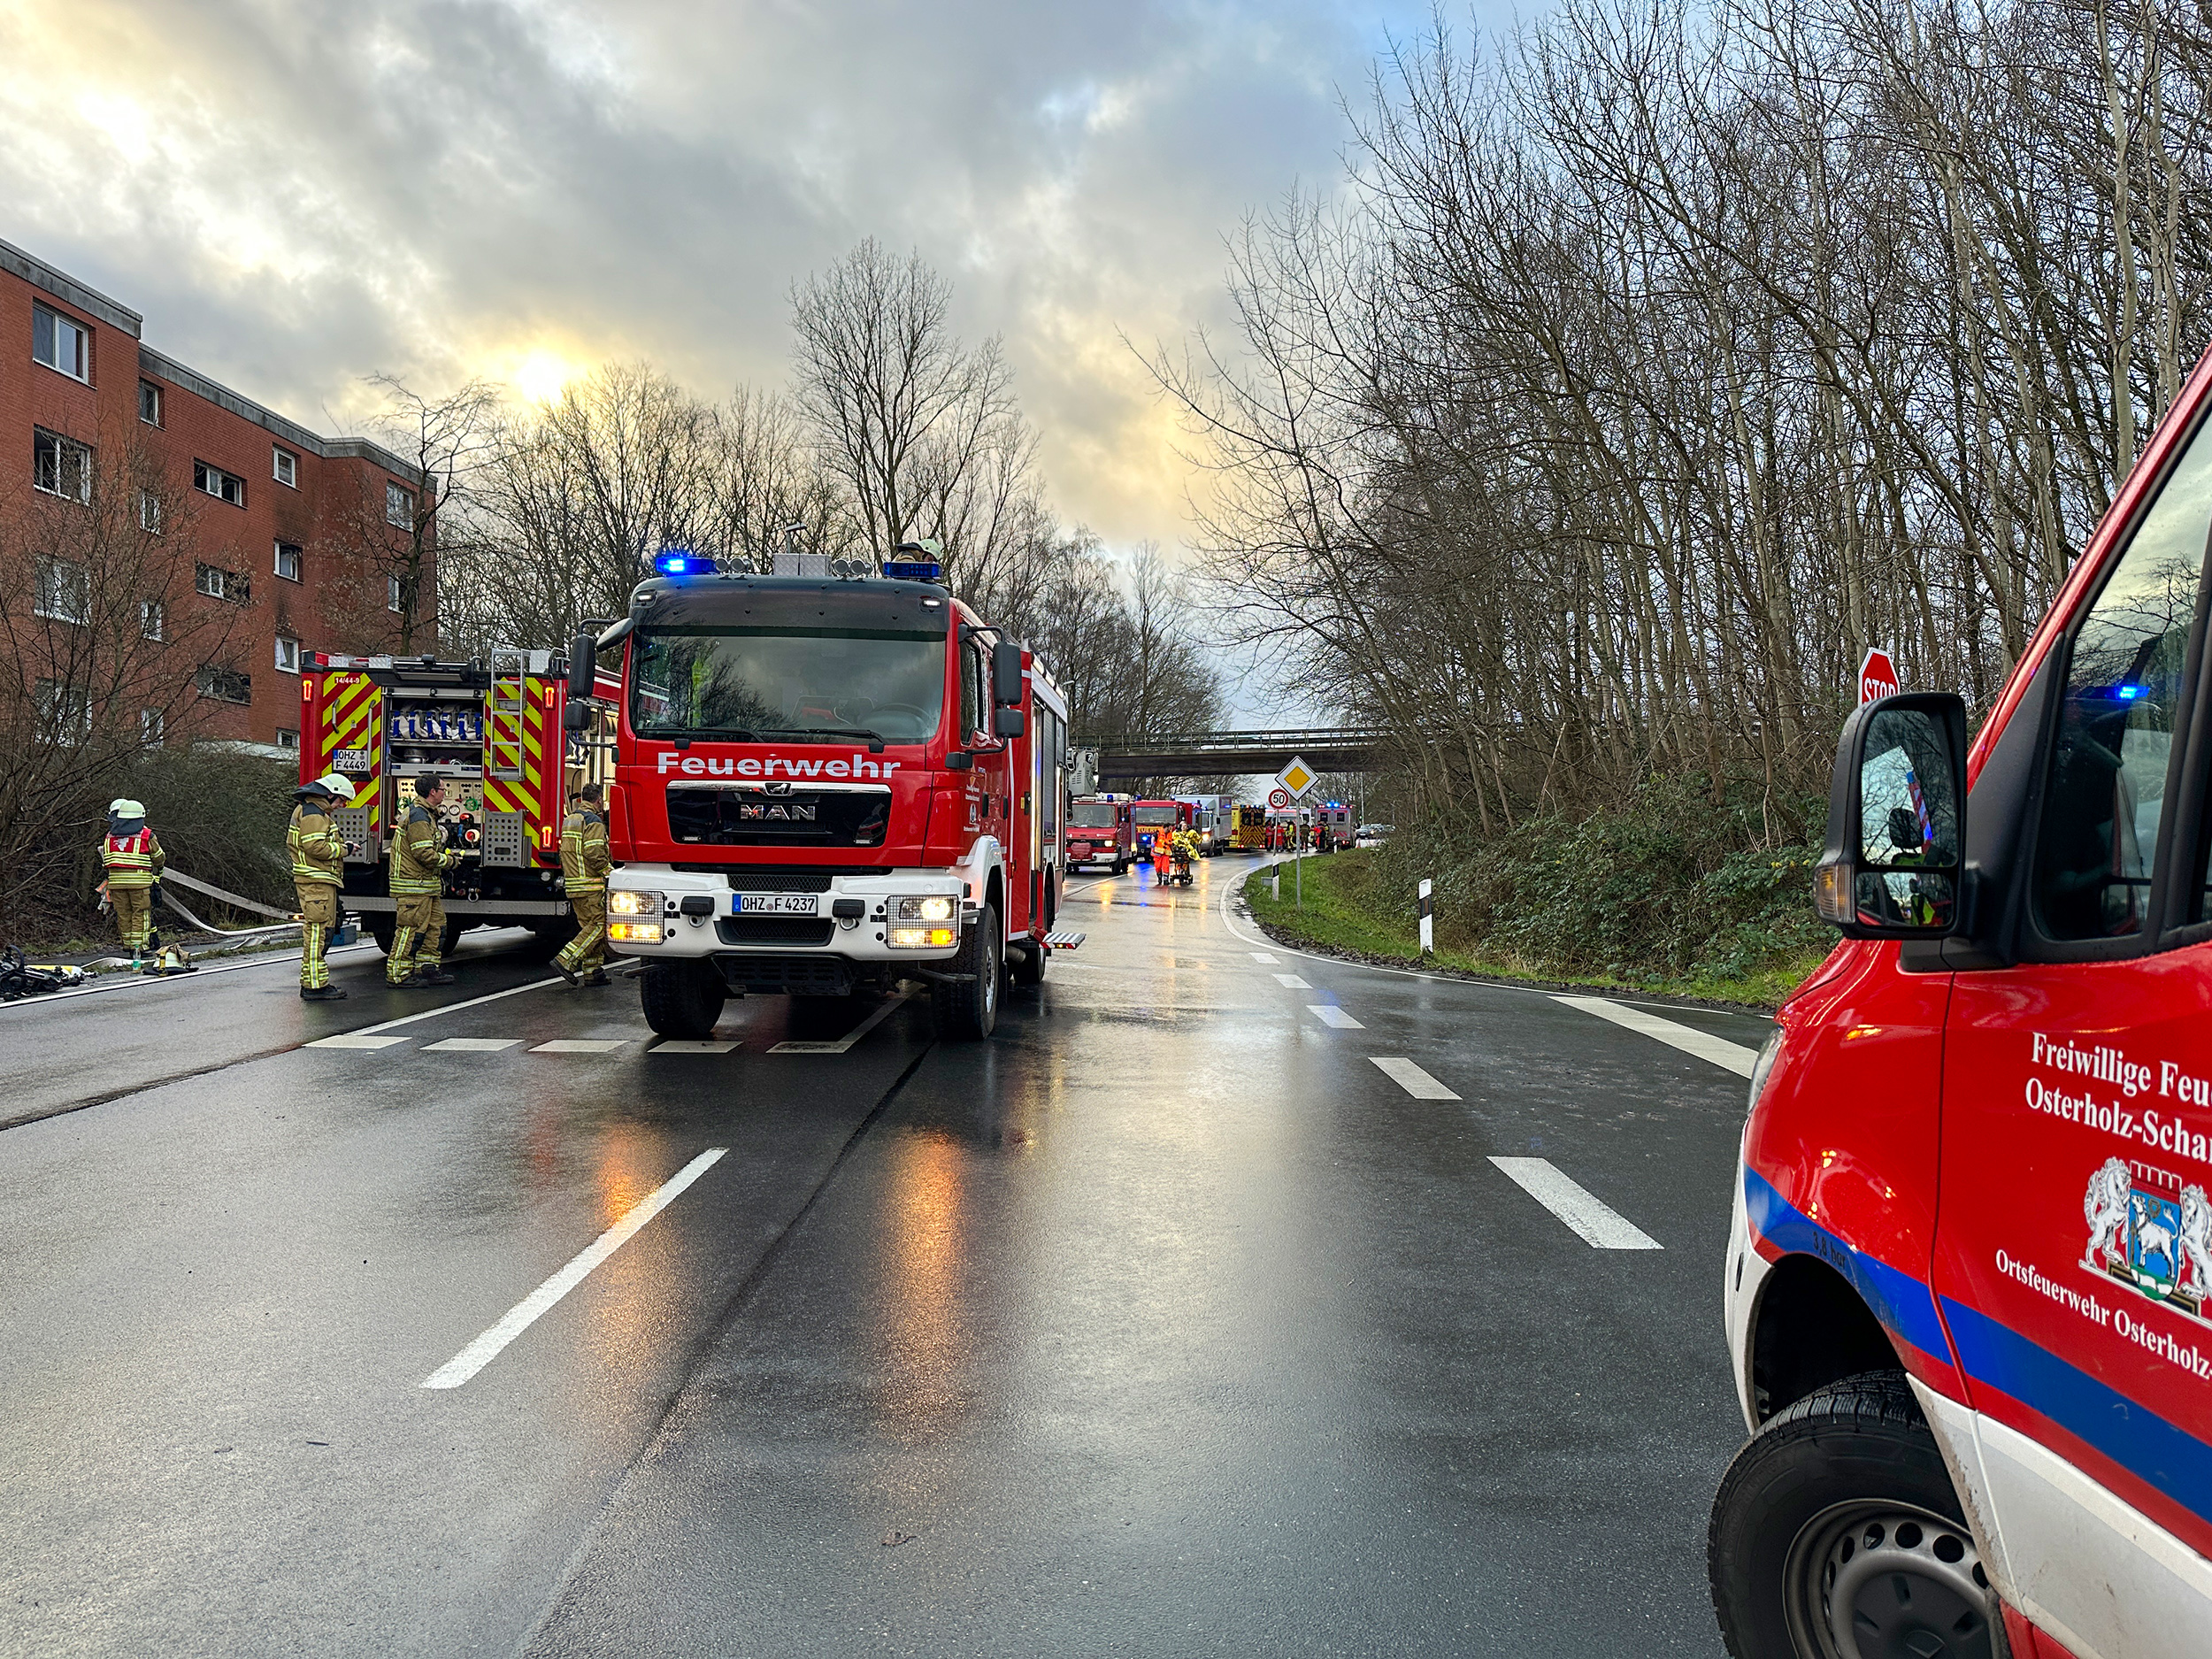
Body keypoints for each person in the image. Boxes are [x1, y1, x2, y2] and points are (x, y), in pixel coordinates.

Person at [386, 774, 462, 987]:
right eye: (443, 789)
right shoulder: (419, 816)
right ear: (432, 792)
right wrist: (450, 861)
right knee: (410, 930)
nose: (445, 793)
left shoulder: (426, 814)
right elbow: (423, 854)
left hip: (426, 885)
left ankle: (427, 968)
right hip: (413, 885)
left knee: (436, 926)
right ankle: (398, 975)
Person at [289, 773, 357, 1001]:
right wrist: (344, 849)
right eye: (341, 800)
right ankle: (314, 987)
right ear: (329, 794)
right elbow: (315, 847)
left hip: (318, 880)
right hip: (315, 881)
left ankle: (313, 983)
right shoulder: (314, 813)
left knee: (320, 932)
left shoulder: (313, 810)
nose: (341, 806)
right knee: (318, 933)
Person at [555, 781, 613, 987]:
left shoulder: (571, 819)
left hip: (574, 884)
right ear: (599, 800)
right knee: (599, 926)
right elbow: (594, 852)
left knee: (589, 928)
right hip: (590, 885)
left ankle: (593, 972)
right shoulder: (593, 821)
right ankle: (566, 960)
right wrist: (610, 873)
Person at [99, 798, 165, 970]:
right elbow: (158, 857)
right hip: (139, 883)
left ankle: (128, 946)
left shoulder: (110, 836)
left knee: (123, 914)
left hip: (116, 884)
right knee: (140, 914)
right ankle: (139, 948)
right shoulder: (146, 835)